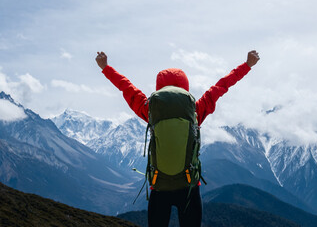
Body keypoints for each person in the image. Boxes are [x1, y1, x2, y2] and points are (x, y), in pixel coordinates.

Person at [95, 50, 259, 227]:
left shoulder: (151, 109)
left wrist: (106, 68)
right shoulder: (195, 110)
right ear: (185, 87)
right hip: (189, 187)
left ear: (159, 88)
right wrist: (247, 65)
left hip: (159, 186)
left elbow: (126, 88)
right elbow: (221, 86)